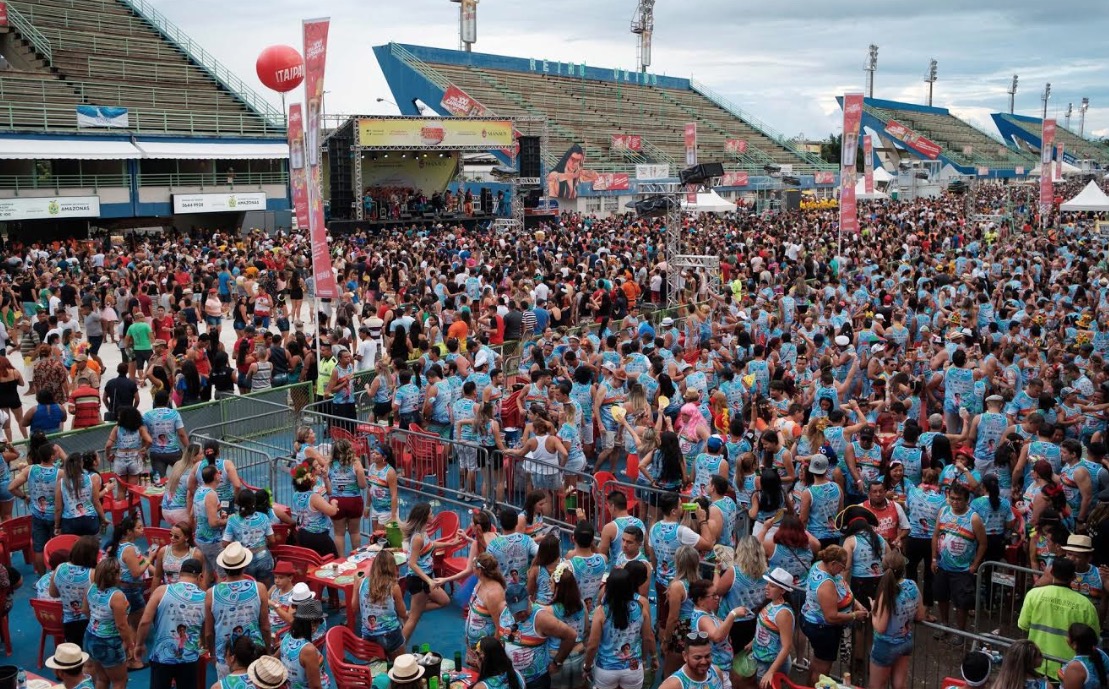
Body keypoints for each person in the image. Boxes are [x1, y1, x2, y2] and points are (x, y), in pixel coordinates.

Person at [1017, 558, 1101, 677]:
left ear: (1051, 572)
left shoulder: (1033, 595)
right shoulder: (1085, 605)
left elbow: (1023, 625)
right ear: (1073, 576)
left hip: (1036, 663)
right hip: (1068, 669)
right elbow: (1094, 637)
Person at [801, 545, 869, 685]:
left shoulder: (821, 566)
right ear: (833, 563)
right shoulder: (826, 584)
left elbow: (842, 585)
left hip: (816, 623)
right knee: (822, 669)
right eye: (842, 566)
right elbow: (831, 616)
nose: (843, 570)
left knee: (817, 661)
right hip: (822, 629)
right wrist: (854, 615)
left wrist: (854, 602)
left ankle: (808, 686)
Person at [135, 558, 206, 689]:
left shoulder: (161, 591)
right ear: (201, 577)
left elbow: (145, 622)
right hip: (189, 658)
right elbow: (206, 630)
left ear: (180, 573)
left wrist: (139, 644)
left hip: (162, 656)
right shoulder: (206, 598)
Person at [205, 542, 270, 679]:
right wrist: (267, 651)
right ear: (245, 566)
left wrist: (213, 654)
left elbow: (209, 633)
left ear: (223, 566)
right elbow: (265, 627)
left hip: (226, 657)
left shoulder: (211, 593)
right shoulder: (260, 588)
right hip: (255, 654)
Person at [584, 568, 657, 689]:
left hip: (606, 669)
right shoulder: (640, 608)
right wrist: (649, 659)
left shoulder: (602, 612)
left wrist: (587, 667)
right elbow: (648, 638)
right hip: (633, 668)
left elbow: (592, 645)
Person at [933, 482, 987, 641]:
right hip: (942, 566)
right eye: (952, 499)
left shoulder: (974, 518)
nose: (955, 502)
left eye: (959, 499)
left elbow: (983, 543)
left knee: (961, 603)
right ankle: (944, 625)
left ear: (966, 500)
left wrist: (975, 565)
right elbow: (935, 535)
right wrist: (933, 558)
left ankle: (960, 633)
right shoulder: (943, 512)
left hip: (963, 570)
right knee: (942, 598)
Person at [499, 583, 579, 689]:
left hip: (535, 681)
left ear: (529, 599)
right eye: (517, 611)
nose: (522, 613)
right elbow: (499, 636)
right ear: (508, 607)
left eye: (524, 608)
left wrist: (556, 663)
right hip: (511, 678)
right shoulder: (503, 611)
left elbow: (571, 635)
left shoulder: (541, 618)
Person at [867, 551, 924, 689]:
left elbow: (880, 627)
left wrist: (874, 611)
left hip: (886, 644)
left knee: (876, 685)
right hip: (905, 642)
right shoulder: (912, 585)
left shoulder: (886, 591)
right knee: (899, 685)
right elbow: (920, 615)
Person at [401, 502, 458, 639]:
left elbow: (431, 545)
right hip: (419, 580)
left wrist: (450, 543)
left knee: (444, 601)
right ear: (425, 517)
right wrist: (428, 580)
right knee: (413, 620)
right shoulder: (418, 538)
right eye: (431, 513)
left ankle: (411, 612)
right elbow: (412, 564)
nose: (433, 515)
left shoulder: (422, 532)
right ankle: (399, 649)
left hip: (426, 578)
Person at [106, 514, 154, 669]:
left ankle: (128, 656)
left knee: (131, 624)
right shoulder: (129, 550)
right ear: (128, 531)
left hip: (124, 588)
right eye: (138, 527)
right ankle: (132, 659)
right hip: (131, 591)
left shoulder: (120, 545)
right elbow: (136, 572)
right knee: (136, 625)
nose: (142, 530)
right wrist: (150, 558)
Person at [9, 438, 59, 574]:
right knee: (56, 548)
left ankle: (42, 578)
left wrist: (25, 497)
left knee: (38, 549)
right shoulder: (59, 473)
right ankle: (55, 579)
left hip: (37, 515)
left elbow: (12, 487)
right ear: (52, 456)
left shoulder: (30, 470)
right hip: (55, 516)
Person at [83, 557, 135, 689]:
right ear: (115, 575)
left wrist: (98, 623)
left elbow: (85, 610)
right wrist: (130, 644)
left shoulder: (90, 588)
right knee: (120, 681)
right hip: (109, 642)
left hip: (90, 637)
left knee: (102, 679)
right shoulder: (117, 596)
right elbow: (121, 625)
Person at [353, 546, 408, 659]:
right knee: (401, 666)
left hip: (369, 635)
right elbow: (402, 613)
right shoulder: (393, 586)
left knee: (376, 670)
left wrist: (355, 586)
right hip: (390, 633)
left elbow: (354, 609)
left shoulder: (362, 583)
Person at [751, 567, 797, 688]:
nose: (766, 587)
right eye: (767, 584)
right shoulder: (771, 603)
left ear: (782, 590)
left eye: (772, 586)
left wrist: (771, 672)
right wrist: (753, 642)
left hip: (771, 664)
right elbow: (764, 628)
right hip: (762, 660)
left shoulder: (783, 613)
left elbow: (787, 647)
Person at [463, 552, 508, 668]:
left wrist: (488, 653)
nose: (471, 568)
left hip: (485, 650)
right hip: (474, 645)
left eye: (473, 566)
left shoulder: (494, 594)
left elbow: (500, 627)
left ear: (480, 570)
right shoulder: (480, 582)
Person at [50, 535, 98, 644]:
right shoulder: (92, 573)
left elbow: (53, 593)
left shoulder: (59, 568)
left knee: (76, 656)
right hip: (90, 620)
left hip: (69, 621)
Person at [222, 489, 276, 586]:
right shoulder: (264, 517)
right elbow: (272, 540)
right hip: (263, 557)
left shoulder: (232, 520)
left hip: (244, 560)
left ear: (238, 503)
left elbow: (225, 544)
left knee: (248, 588)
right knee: (267, 590)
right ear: (253, 501)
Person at [327, 437, 367, 556]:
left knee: (339, 534)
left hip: (336, 501)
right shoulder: (356, 463)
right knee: (355, 532)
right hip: (354, 501)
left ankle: (341, 560)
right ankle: (357, 558)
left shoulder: (329, 464)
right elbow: (363, 485)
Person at [280, 599, 332, 689]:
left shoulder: (287, 637)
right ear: (311, 624)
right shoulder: (308, 650)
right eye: (316, 622)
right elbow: (315, 687)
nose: (317, 626)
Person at [55, 451, 108, 536]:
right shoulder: (90, 479)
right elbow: (96, 502)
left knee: (73, 547)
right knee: (91, 546)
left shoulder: (61, 483)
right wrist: (103, 519)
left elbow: (58, 508)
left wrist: (57, 526)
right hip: (90, 520)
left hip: (69, 522)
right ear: (81, 464)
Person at [104, 406, 152, 498]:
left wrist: (108, 455)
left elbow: (108, 445)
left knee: (121, 490)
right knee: (133, 489)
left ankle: (120, 510)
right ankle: (132, 511)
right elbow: (149, 441)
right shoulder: (139, 428)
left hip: (120, 458)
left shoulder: (117, 428)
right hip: (134, 458)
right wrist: (144, 449)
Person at [144, 389, 190, 479]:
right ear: (168, 400)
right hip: (174, 452)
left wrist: (144, 449)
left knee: (159, 481)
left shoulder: (147, 416)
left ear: (154, 401)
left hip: (156, 453)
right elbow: (182, 434)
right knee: (182, 477)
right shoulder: (174, 414)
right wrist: (189, 448)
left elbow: (144, 436)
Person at [655, 634, 725, 689]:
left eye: (707, 656)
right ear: (685, 656)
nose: (704, 662)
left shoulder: (716, 672)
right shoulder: (674, 684)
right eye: (698, 658)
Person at [153, 522, 205, 588]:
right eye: (170, 535)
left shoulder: (196, 554)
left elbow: (201, 579)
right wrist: (153, 595)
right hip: (168, 592)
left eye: (176, 537)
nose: (172, 538)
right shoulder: (163, 551)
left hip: (187, 593)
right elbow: (157, 576)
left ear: (186, 538)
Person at [1061, 623, 1109, 689]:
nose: (1067, 638)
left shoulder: (1075, 667)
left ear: (1075, 644)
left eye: (1068, 636)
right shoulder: (1102, 654)